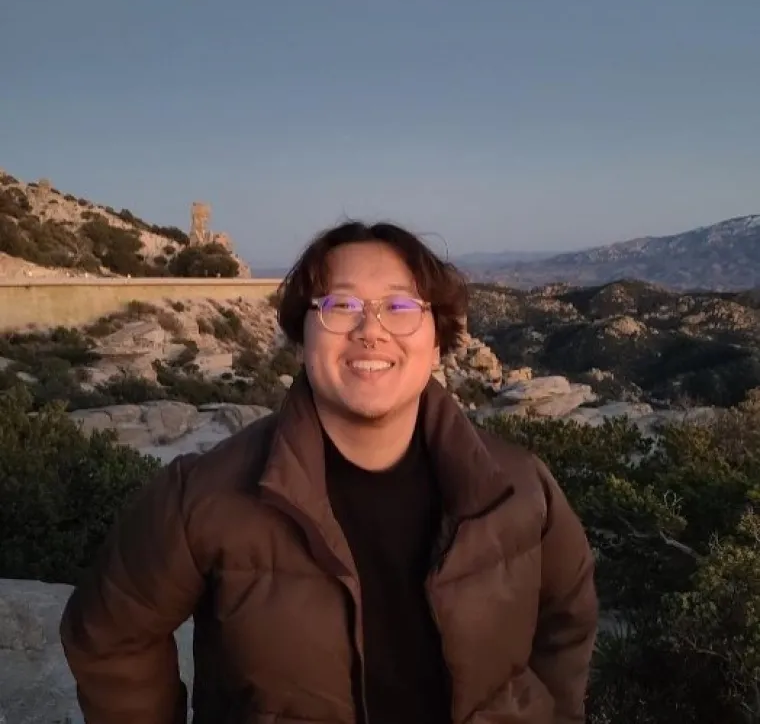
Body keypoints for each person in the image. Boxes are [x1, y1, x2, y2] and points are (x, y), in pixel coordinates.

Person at [60, 221, 598, 724]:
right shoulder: (203, 496)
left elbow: (567, 624)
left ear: (437, 340)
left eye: (400, 305)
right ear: (302, 338)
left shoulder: (521, 488)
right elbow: (110, 633)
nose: (371, 329)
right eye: (341, 305)